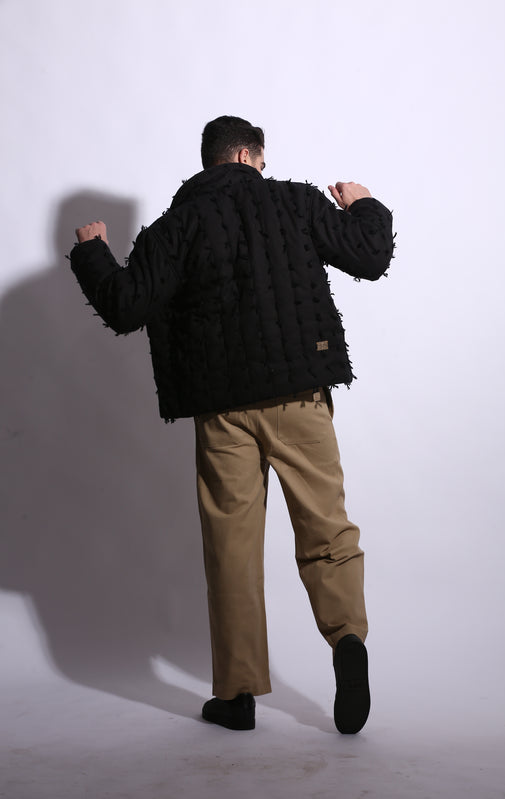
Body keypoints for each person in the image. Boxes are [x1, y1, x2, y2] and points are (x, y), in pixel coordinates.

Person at [70, 115, 394, 734]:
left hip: (222, 413)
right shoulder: (295, 202)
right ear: (247, 155)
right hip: (300, 398)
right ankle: (348, 641)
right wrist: (363, 204)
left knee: (231, 550)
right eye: (263, 163)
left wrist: (92, 249)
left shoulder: (175, 226)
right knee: (326, 528)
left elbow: (124, 306)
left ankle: (238, 695)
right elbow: (371, 255)